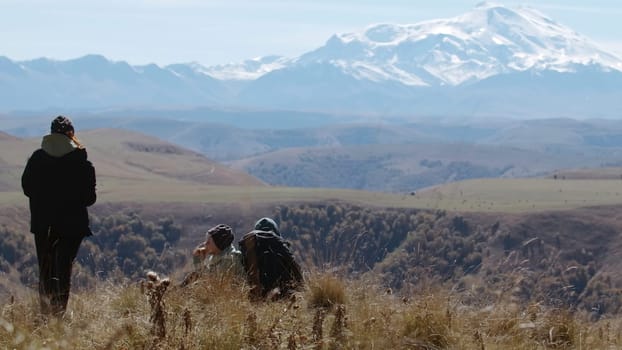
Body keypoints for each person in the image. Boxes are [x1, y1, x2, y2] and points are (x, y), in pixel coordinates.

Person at [21, 115, 97, 317]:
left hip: (42, 225)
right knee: (63, 271)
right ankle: (59, 317)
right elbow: (89, 199)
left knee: (45, 271)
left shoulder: (37, 158)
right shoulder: (82, 161)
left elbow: (27, 188)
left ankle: (45, 317)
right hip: (72, 226)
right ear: (71, 134)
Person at [239, 217, 303, 301]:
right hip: (280, 295)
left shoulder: (249, 243)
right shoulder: (279, 244)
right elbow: (296, 271)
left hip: (253, 297)